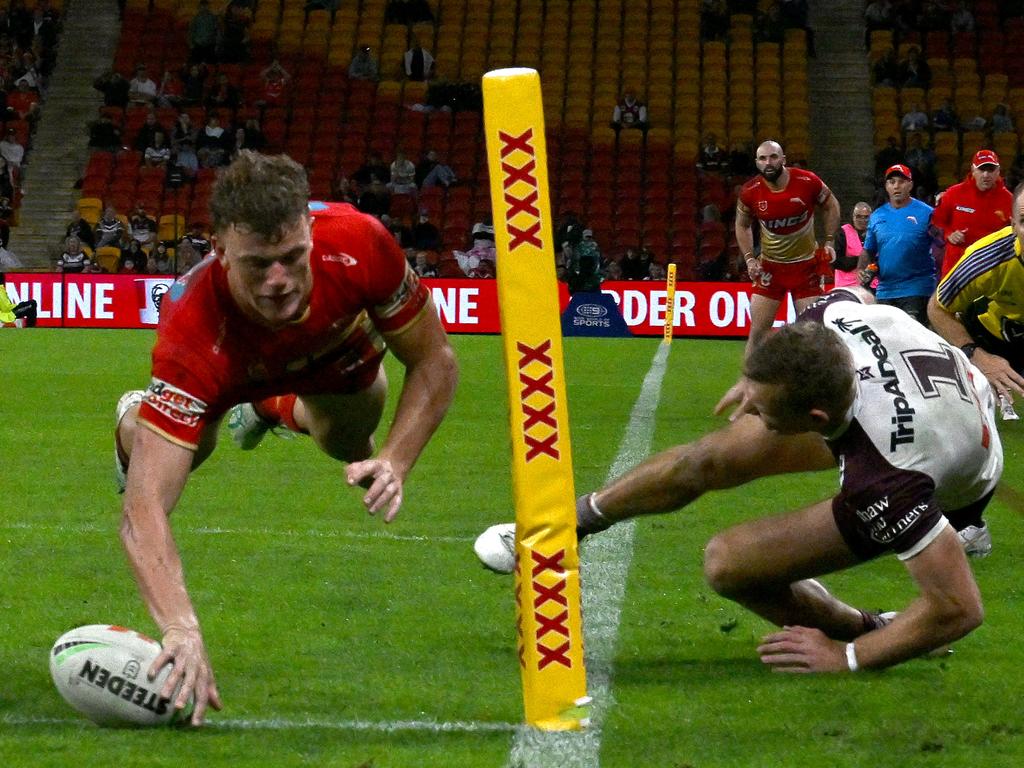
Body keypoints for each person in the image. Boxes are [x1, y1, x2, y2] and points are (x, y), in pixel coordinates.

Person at [476, 287, 1004, 670]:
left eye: (769, 411)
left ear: (815, 422)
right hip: (922, 398)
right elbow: (855, 295)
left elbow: (959, 608)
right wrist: (764, 379)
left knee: (731, 564)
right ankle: (573, 522)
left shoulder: (886, 479)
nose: (755, 413)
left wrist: (848, 656)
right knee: (710, 457)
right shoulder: (833, 316)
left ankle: (867, 625)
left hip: (951, 459)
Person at [113, 151, 457, 725]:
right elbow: (142, 507)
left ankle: (275, 410)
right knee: (192, 452)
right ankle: (135, 418)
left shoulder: (360, 241)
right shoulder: (191, 332)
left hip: (331, 358)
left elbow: (436, 360)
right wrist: (181, 627)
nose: (279, 281)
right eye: (258, 264)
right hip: (228, 370)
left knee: (354, 438)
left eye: (293, 257)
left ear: (310, 230)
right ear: (220, 250)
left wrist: (396, 460)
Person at [735, 139, 841, 359]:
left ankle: (811, 386)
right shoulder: (750, 191)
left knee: (812, 334)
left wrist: (829, 240)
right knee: (757, 333)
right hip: (770, 269)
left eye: (773, 157)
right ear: (757, 163)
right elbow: (742, 224)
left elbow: (831, 204)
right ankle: (749, 385)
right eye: (763, 158)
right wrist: (749, 259)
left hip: (806, 267)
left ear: (783, 159)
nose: (769, 162)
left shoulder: (807, 181)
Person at [928, 180, 1024, 420]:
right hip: (991, 335)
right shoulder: (985, 259)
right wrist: (977, 355)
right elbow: (937, 308)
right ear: (1013, 227)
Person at [856, 164, 936, 324]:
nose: (896, 186)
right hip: (885, 290)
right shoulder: (877, 215)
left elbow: (940, 247)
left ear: (911, 185)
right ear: (886, 186)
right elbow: (869, 250)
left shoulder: (927, 213)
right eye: (892, 182)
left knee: (913, 339)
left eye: (901, 181)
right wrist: (860, 268)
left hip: (917, 288)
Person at [931, 149, 1013, 278]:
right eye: (981, 169)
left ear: (998, 171)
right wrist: (949, 234)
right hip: (956, 271)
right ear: (973, 170)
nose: (986, 175)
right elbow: (935, 223)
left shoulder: (1009, 200)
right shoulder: (953, 194)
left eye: (990, 170)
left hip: (992, 272)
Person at [833, 202, 872, 288]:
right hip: (847, 286)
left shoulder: (875, 232)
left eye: (866, 217)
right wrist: (861, 260)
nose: (862, 220)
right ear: (853, 217)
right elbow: (836, 261)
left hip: (872, 285)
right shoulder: (842, 233)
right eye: (858, 216)